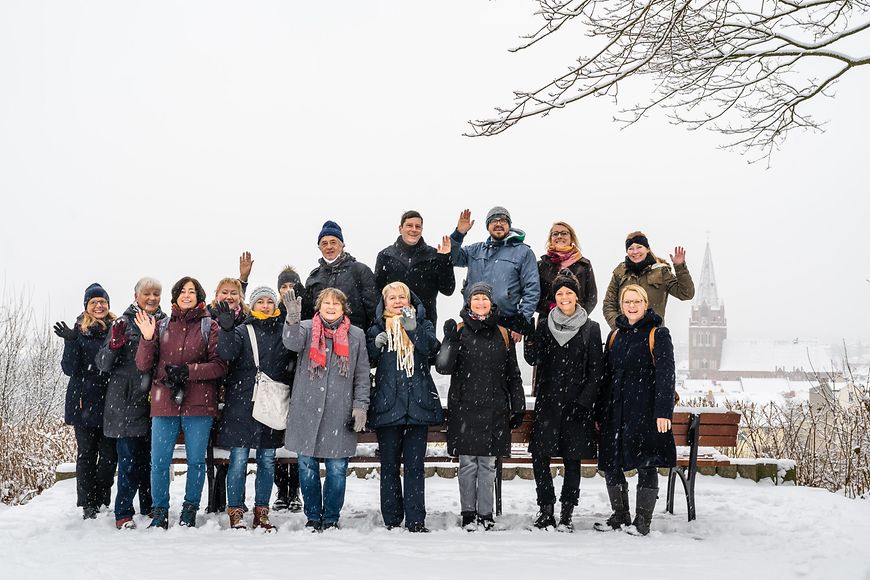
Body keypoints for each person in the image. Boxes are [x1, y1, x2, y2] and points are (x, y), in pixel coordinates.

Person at [135, 276, 227, 529]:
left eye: (192, 291)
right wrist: (147, 337)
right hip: (164, 402)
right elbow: (143, 365)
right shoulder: (161, 325)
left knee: (196, 461)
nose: (187, 295)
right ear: (175, 296)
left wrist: (189, 371)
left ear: (200, 296)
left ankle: (190, 509)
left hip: (199, 403)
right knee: (159, 462)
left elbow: (219, 366)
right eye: (182, 291)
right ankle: (160, 510)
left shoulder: (210, 326)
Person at [436, 282, 525, 531]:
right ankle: (468, 513)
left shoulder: (503, 333)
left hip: (495, 407)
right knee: (467, 464)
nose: (481, 303)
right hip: (464, 407)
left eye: (484, 299)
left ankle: (485, 514)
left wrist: (517, 406)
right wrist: (449, 341)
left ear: (491, 302)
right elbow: (443, 367)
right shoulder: (460, 330)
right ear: (468, 302)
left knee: (487, 464)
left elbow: (513, 375)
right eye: (476, 299)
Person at [282, 287, 371, 531]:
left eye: (336, 303)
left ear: (344, 308)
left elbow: (362, 375)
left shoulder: (356, 335)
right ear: (318, 307)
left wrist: (360, 406)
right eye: (326, 303)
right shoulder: (306, 328)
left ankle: (331, 516)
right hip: (306, 409)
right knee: (307, 465)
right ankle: (312, 516)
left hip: (339, 412)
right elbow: (290, 342)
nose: (331, 307)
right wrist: (292, 318)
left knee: (337, 468)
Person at [523, 273, 603, 531]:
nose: (564, 297)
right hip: (548, 403)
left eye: (568, 292)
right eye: (559, 293)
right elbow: (533, 359)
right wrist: (529, 334)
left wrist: (585, 402)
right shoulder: (545, 324)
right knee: (540, 456)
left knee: (573, 459)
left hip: (577, 405)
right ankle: (546, 509)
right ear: (554, 298)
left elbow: (596, 371)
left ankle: (567, 513)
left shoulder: (591, 328)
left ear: (577, 296)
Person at [595, 284, 676, 536]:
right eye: (627, 302)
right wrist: (601, 411)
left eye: (636, 301)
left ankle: (643, 521)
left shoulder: (657, 334)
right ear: (622, 305)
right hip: (615, 411)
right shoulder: (614, 335)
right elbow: (606, 376)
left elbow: (666, 375)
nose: (631, 306)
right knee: (611, 463)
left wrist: (663, 412)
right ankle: (620, 515)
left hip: (645, 411)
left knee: (646, 463)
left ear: (645, 304)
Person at [216, 286, 296, 531]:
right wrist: (227, 330)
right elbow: (226, 353)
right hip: (242, 404)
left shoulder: (284, 333)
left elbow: (294, 354)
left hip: (271, 403)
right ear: (252, 305)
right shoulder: (241, 330)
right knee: (239, 459)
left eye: (269, 301)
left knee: (267, 459)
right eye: (259, 301)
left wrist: (292, 323)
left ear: (275, 305)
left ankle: (262, 511)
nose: (265, 305)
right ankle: (236, 511)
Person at [366, 282, 443, 532]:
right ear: (384, 303)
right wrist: (374, 345)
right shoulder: (377, 327)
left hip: (418, 405)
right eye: (392, 298)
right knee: (388, 466)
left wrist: (414, 330)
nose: (398, 301)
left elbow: (432, 350)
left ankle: (415, 520)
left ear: (410, 301)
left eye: (403, 297)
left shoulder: (425, 324)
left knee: (414, 466)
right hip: (388, 405)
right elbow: (366, 360)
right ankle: (391, 519)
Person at [95, 277, 165, 529]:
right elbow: (102, 363)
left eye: (156, 293)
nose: (152, 298)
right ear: (136, 296)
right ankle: (123, 511)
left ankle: (148, 506)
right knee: (129, 462)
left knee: (151, 460)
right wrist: (114, 345)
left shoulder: (165, 323)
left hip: (155, 402)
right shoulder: (122, 323)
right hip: (124, 403)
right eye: (146, 293)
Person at [55, 283, 118, 520]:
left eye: (102, 302)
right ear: (87, 306)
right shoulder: (78, 332)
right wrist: (70, 342)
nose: (99, 305)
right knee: (87, 454)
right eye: (94, 302)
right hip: (83, 401)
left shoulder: (116, 328)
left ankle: (103, 499)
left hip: (110, 401)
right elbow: (69, 368)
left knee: (109, 456)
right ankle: (88, 503)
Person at [449, 207, 540, 342]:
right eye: (493, 221)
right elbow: (452, 258)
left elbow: (532, 289)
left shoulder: (523, 252)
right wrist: (459, 233)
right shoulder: (475, 250)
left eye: (503, 220)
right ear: (487, 226)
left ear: (509, 225)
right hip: (473, 319)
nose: (498, 224)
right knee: (469, 362)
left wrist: (521, 322)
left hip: (505, 323)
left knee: (502, 362)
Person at [373, 210, 455, 326]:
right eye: (409, 225)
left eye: (418, 226)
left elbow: (448, 289)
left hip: (425, 322)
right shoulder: (386, 255)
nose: (414, 229)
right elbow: (377, 291)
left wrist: (445, 260)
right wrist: (378, 320)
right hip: (393, 322)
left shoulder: (434, 255)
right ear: (400, 228)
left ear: (422, 230)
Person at [602, 231, 694, 330]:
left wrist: (680, 267)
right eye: (631, 248)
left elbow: (686, 294)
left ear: (647, 249)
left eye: (639, 247)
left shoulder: (661, 271)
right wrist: (619, 327)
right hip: (625, 337)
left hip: (653, 336)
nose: (635, 252)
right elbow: (608, 304)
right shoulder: (620, 273)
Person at [301, 220, 378, 331]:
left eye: (333, 242)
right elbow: (309, 315)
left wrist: (370, 338)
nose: (329, 247)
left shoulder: (360, 271)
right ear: (319, 248)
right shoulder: (314, 277)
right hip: (321, 341)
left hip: (354, 339)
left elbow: (373, 310)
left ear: (342, 245)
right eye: (324, 243)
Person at [272, 266, 305, 513]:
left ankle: (295, 490)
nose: (287, 291)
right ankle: (281, 490)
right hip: (277, 383)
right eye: (283, 287)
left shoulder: (307, 315)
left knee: (296, 440)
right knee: (277, 438)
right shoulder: (272, 314)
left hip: (302, 382)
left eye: (291, 286)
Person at [536, 222, 597, 317]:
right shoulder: (541, 265)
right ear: (550, 239)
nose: (559, 236)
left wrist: (578, 314)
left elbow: (591, 297)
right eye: (555, 234)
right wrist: (551, 307)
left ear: (571, 237)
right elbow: (534, 297)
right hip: (547, 321)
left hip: (578, 323)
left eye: (564, 233)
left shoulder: (584, 264)